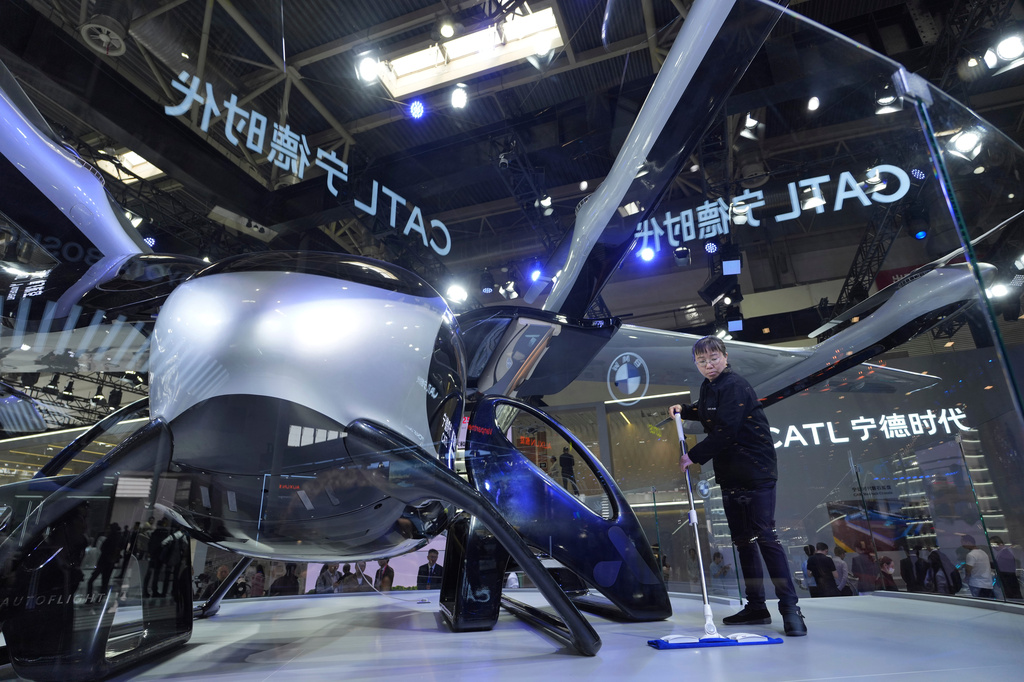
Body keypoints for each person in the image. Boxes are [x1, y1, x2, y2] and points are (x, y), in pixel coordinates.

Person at [670, 336, 805, 636]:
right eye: (702, 360)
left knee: (765, 538)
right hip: (732, 473)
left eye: (713, 357)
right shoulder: (710, 387)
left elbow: (727, 430)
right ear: (696, 363)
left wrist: (691, 456)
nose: (708, 364)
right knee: (743, 541)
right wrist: (685, 409)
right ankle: (756, 607)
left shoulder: (734, 384)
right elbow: (709, 412)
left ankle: (791, 611)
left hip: (756, 471)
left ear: (725, 356)